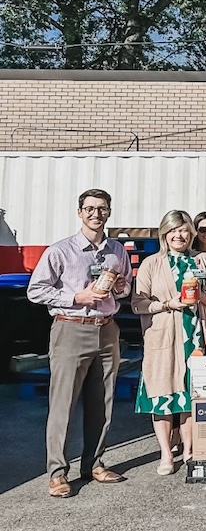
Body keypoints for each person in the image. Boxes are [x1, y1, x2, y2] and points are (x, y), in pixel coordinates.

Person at [27, 189, 133, 498]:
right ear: (79, 212)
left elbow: (124, 288)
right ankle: (58, 473)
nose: (95, 214)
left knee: (103, 402)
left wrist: (123, 287)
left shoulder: (117, 250)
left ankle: (94, 463)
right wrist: (76, 296)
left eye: (101, 209)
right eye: (89, 208)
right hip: (71, 328)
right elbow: (36, 290)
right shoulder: (61, 251)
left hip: (106, 329)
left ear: (108, 212)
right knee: (62, 405)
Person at [130, 210, 206, 475]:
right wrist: (167, 304)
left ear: (191, 234)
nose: (178, 235)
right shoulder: (151, 264)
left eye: (183, 230)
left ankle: (190, 451)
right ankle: (165, 454)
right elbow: (138, 304)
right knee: (162, 394)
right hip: (163, 337)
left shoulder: (203, 260)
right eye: (173, 230)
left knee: (191, 394)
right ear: (164, 234)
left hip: (195, 336)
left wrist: (204, 297)